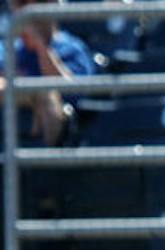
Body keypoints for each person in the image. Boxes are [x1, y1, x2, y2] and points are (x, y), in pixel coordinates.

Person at [2, 0, 95, 147]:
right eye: (21, 3)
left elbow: (72, 92)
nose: (28, 9)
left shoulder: (73, 48)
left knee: (48, 95)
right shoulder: (10, 49)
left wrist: (40, 45)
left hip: (59, 133)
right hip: (11, 127)